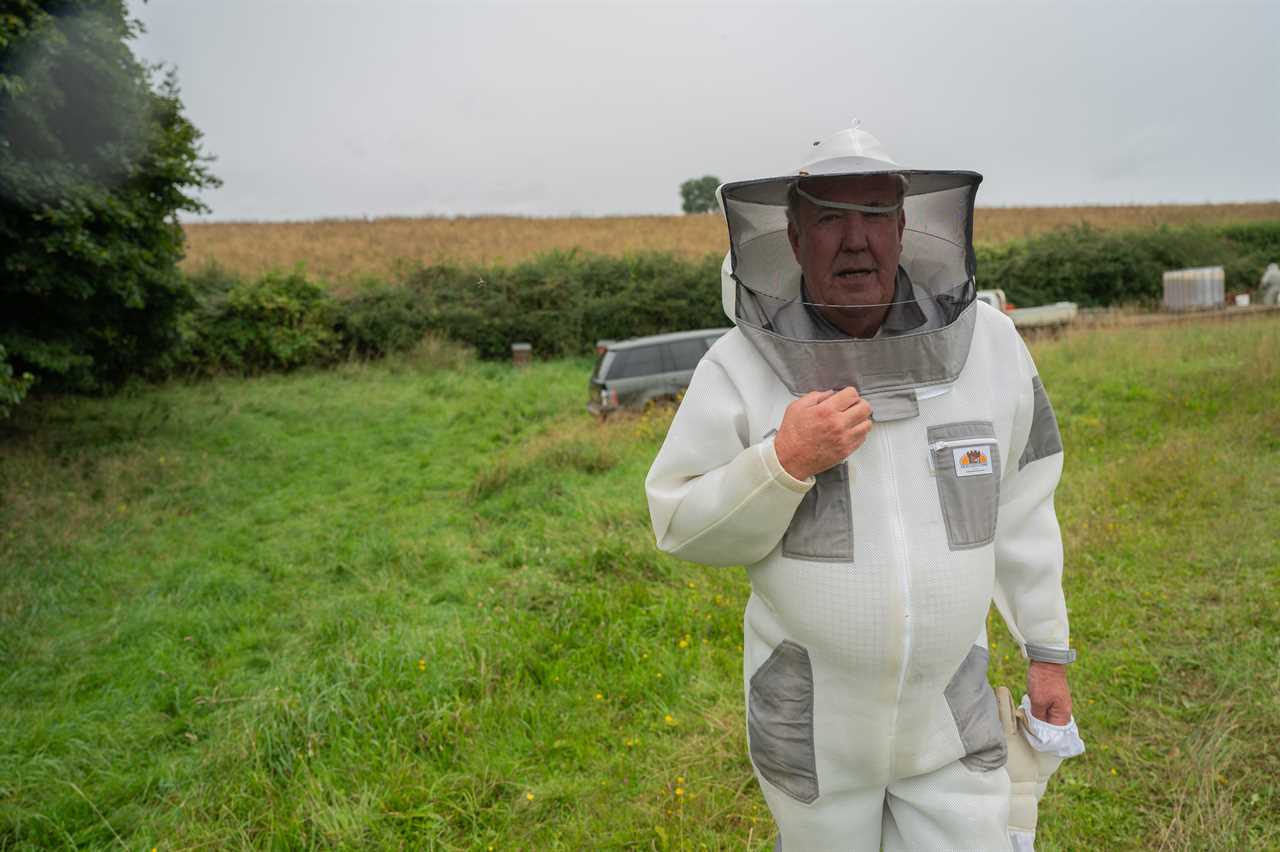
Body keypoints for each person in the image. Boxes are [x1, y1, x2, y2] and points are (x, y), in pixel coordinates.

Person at [645, 122, 1081, 851]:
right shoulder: (738, 367)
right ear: (791, 236)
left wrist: (1046, 650)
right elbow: (679, 522)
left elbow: (1025, 503)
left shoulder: (992, 349)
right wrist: (779, 463)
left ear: (906, 228)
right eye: (829, 219)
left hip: (950, 712)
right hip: (814, 727)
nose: (856, 240)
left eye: (876, 216)